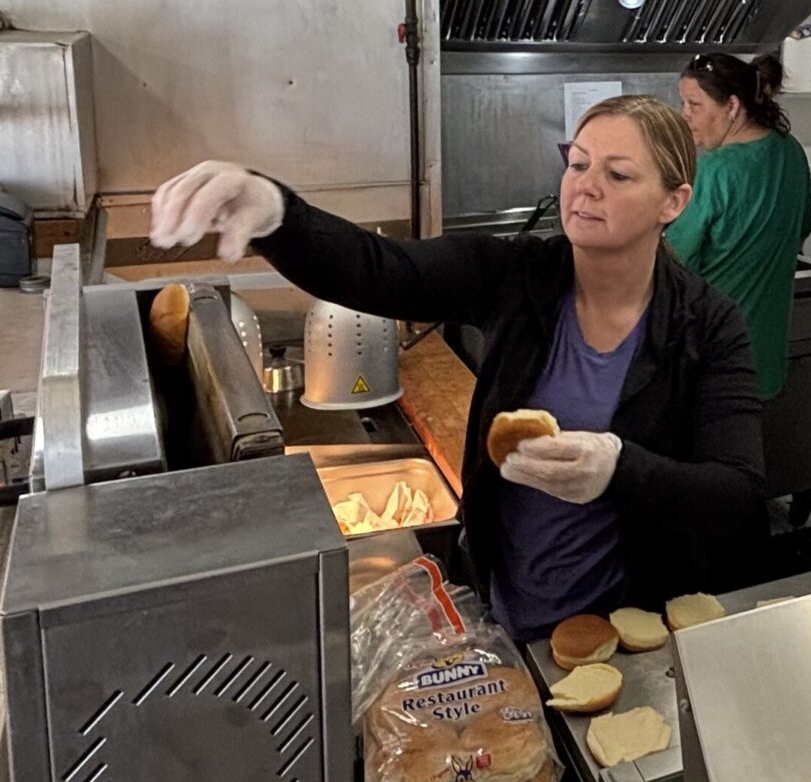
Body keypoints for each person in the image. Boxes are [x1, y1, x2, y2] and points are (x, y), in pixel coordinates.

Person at [148, 96, 765, 641]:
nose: (586, 186)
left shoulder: (706, 325)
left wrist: (618, 470)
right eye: (578, 164)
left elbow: (734, 495)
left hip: (627, 630)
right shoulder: (516, 276)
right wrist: (276, 213)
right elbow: (380, 269)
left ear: (673, 202)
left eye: (618, 174)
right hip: (505, 603)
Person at [667, 53, 811, 401]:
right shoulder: (791, 151)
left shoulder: (714, 172)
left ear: (732, 106)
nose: (684, 115)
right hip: (764, 355)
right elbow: (801, 231)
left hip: (712, 355)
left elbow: (672, 264)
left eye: (694, 104)